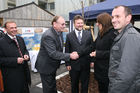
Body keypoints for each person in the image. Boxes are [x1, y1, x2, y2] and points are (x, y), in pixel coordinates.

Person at [35, 16, 79, 93]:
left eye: (64, 24)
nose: (64, 26)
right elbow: (53, 53)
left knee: (52, 86)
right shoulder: (48, 35)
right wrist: (70, 56)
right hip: (46, 67)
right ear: (54, 24)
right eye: (62, 24)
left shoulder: (59, 32)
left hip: (52, 66)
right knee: (48, 88)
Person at [108, 5, 140, 93]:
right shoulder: (123, 35)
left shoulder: (131, 36)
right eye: (112, 17)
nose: (113, 20)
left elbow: (126, 74)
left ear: (128, 18)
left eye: (117, 16)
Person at [65, 15, 94, 93]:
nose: (80, 24)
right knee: (74, 84)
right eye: (78, 23)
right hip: (74, 65)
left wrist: (92, 60)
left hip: (86, 63)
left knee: (85, 84)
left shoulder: (88, 34)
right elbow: (67, 50)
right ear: (74, 24)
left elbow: (92, 48)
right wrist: (67, 63)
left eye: (81, 23)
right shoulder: (69, 36)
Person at [0, 21, 31, 93]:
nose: (14, 29)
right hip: (11, 78)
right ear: (5, 29)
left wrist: (26, 55)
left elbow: (25, 50)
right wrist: (15, 60)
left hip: (24, 74)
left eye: (15, 27)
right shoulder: (1, 42)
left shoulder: (20, 39)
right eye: (11, 28)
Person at [90, 12, 117, 93]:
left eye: (98, 22)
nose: (97, 24)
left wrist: (97, 54)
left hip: (107, 72)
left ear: (104, 22)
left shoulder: (113, 34)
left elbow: (114, 53)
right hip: (100, 70)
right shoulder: (101, 33)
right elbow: (94, 46)